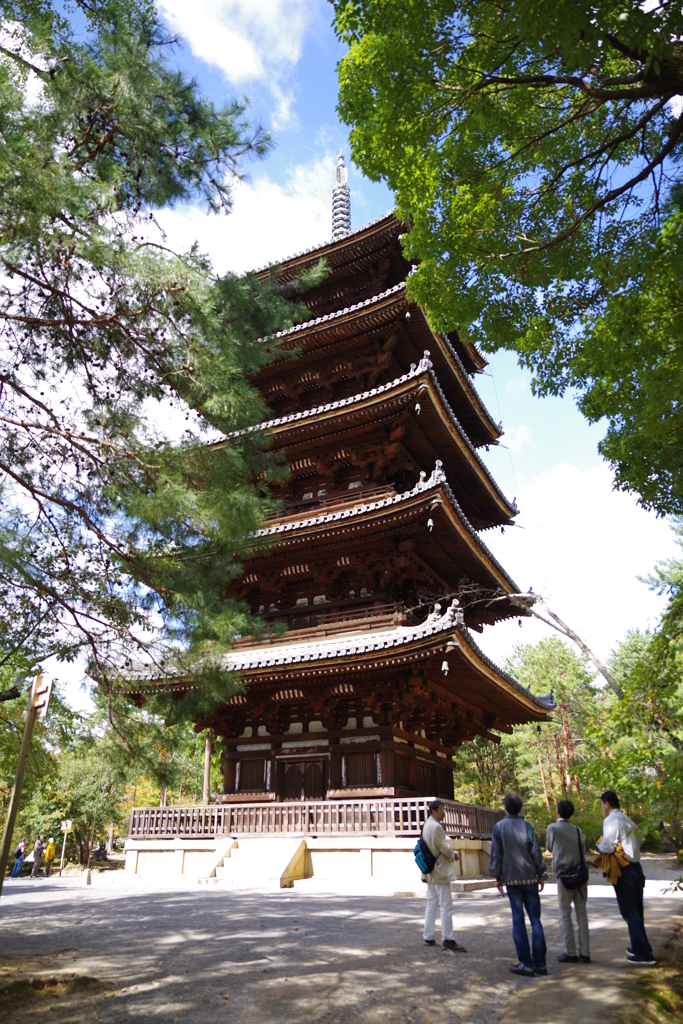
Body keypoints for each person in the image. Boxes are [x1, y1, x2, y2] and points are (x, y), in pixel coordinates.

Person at [490, 792, 547, 977]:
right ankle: (540, 963)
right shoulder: (527, 826)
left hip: (512, 878)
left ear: (505, 808)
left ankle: (526, 963)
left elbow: (496, 854)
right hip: (530, 877)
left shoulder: (499, 827)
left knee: (518, 920)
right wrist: (540, 873)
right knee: (536, 920)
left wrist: (497, 876)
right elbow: (535, 852)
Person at [597, 790, 655, 965]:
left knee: (629, 912)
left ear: (607, 803)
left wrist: (599, 847)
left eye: (602, 804)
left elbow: (607, 846)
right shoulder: (626, 819)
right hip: (636, 867)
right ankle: (638, 949)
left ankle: (645, 954)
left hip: (624, 869)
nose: (602, 808)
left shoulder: (611, 820)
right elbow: (641, 837)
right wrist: (630, 848)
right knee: (636, 911)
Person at [546, 800, 590, 963]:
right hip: (581, 875)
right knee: (582, 913)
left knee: (565, 914)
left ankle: (570, 952)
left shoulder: (553, 828)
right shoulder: (578, 830)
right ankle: (585, 952)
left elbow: (549, 847)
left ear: (557, 812)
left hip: (564, 876)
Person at [421, 799, 466, 952]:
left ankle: (428, 935)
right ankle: (448, 938)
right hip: (439, 869)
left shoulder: (427, 824)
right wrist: (453, 855)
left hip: (430, 869)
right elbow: (444, 847)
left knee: (432, 903)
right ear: (433, 811)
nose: (444, 812)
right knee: (446, 905)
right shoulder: (436, 827)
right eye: (441, 809)